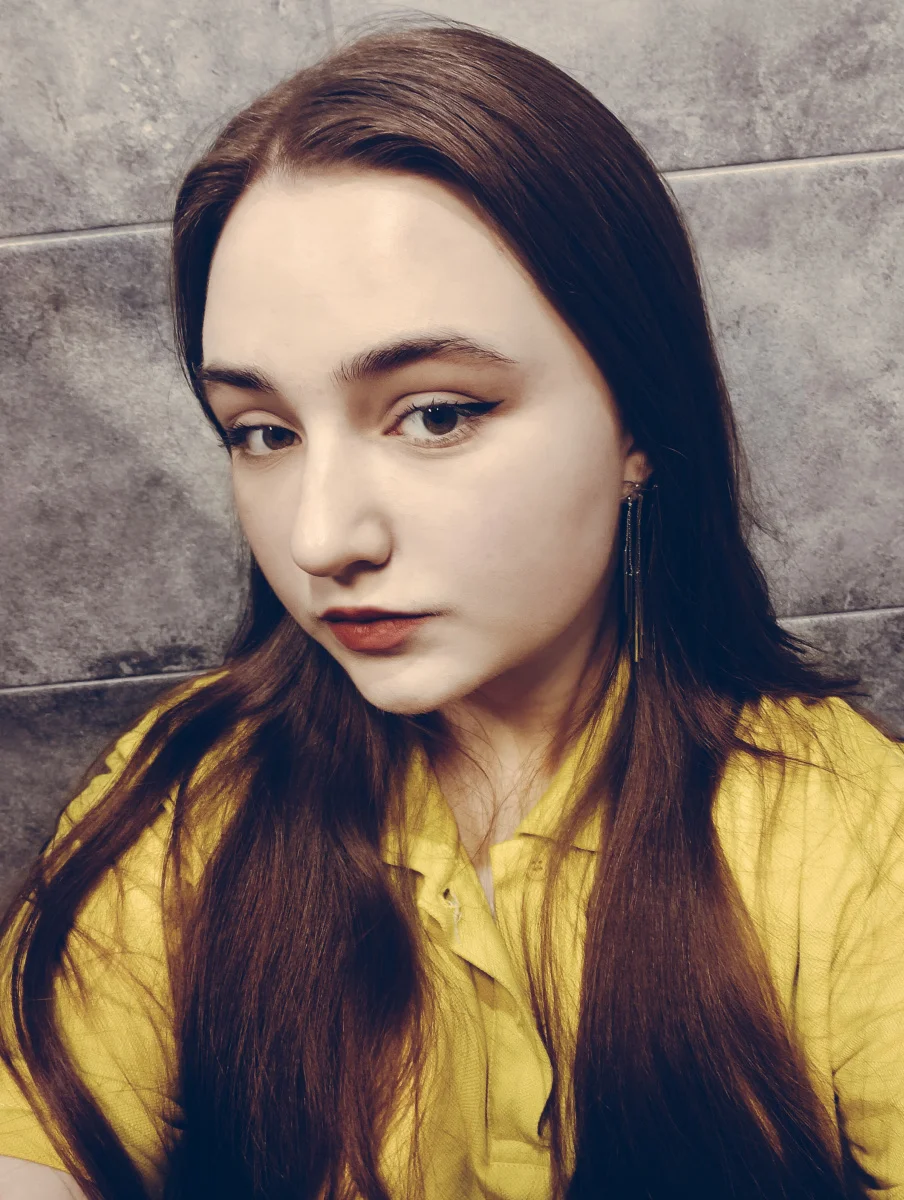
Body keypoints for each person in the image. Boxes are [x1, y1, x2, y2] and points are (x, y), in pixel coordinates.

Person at [1, 14, 902, 1200]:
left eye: (435, 414)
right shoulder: (188, 796)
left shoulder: (851, 839)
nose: (321, 538)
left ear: (637, 424)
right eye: (261, 432)